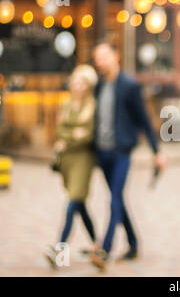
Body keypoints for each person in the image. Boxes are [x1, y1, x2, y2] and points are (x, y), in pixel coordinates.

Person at [90, 42, 165, 269]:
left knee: (113, 199)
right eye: (97, 58)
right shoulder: (99, 85)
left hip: (122, 151)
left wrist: (156, 151)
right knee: (118, 198)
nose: (100, 61)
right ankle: (133, 243)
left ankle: (105, 249)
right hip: (102, 152)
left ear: (116, 55)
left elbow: (144, 119)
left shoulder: (129, 85)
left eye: (104, 56)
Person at [45, 65, 99, 268]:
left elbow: (87, 135)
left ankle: (59, 250)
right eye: (75, 81)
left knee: (72, 202)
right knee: (80, 205)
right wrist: (71, 135)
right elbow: (60, 130)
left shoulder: (92, 106)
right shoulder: (67, 104)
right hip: (67, 160)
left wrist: (71, 136)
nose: (77, 86)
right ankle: (97, 244)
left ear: (88, 86)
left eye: (82, 82)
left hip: (84, 159)